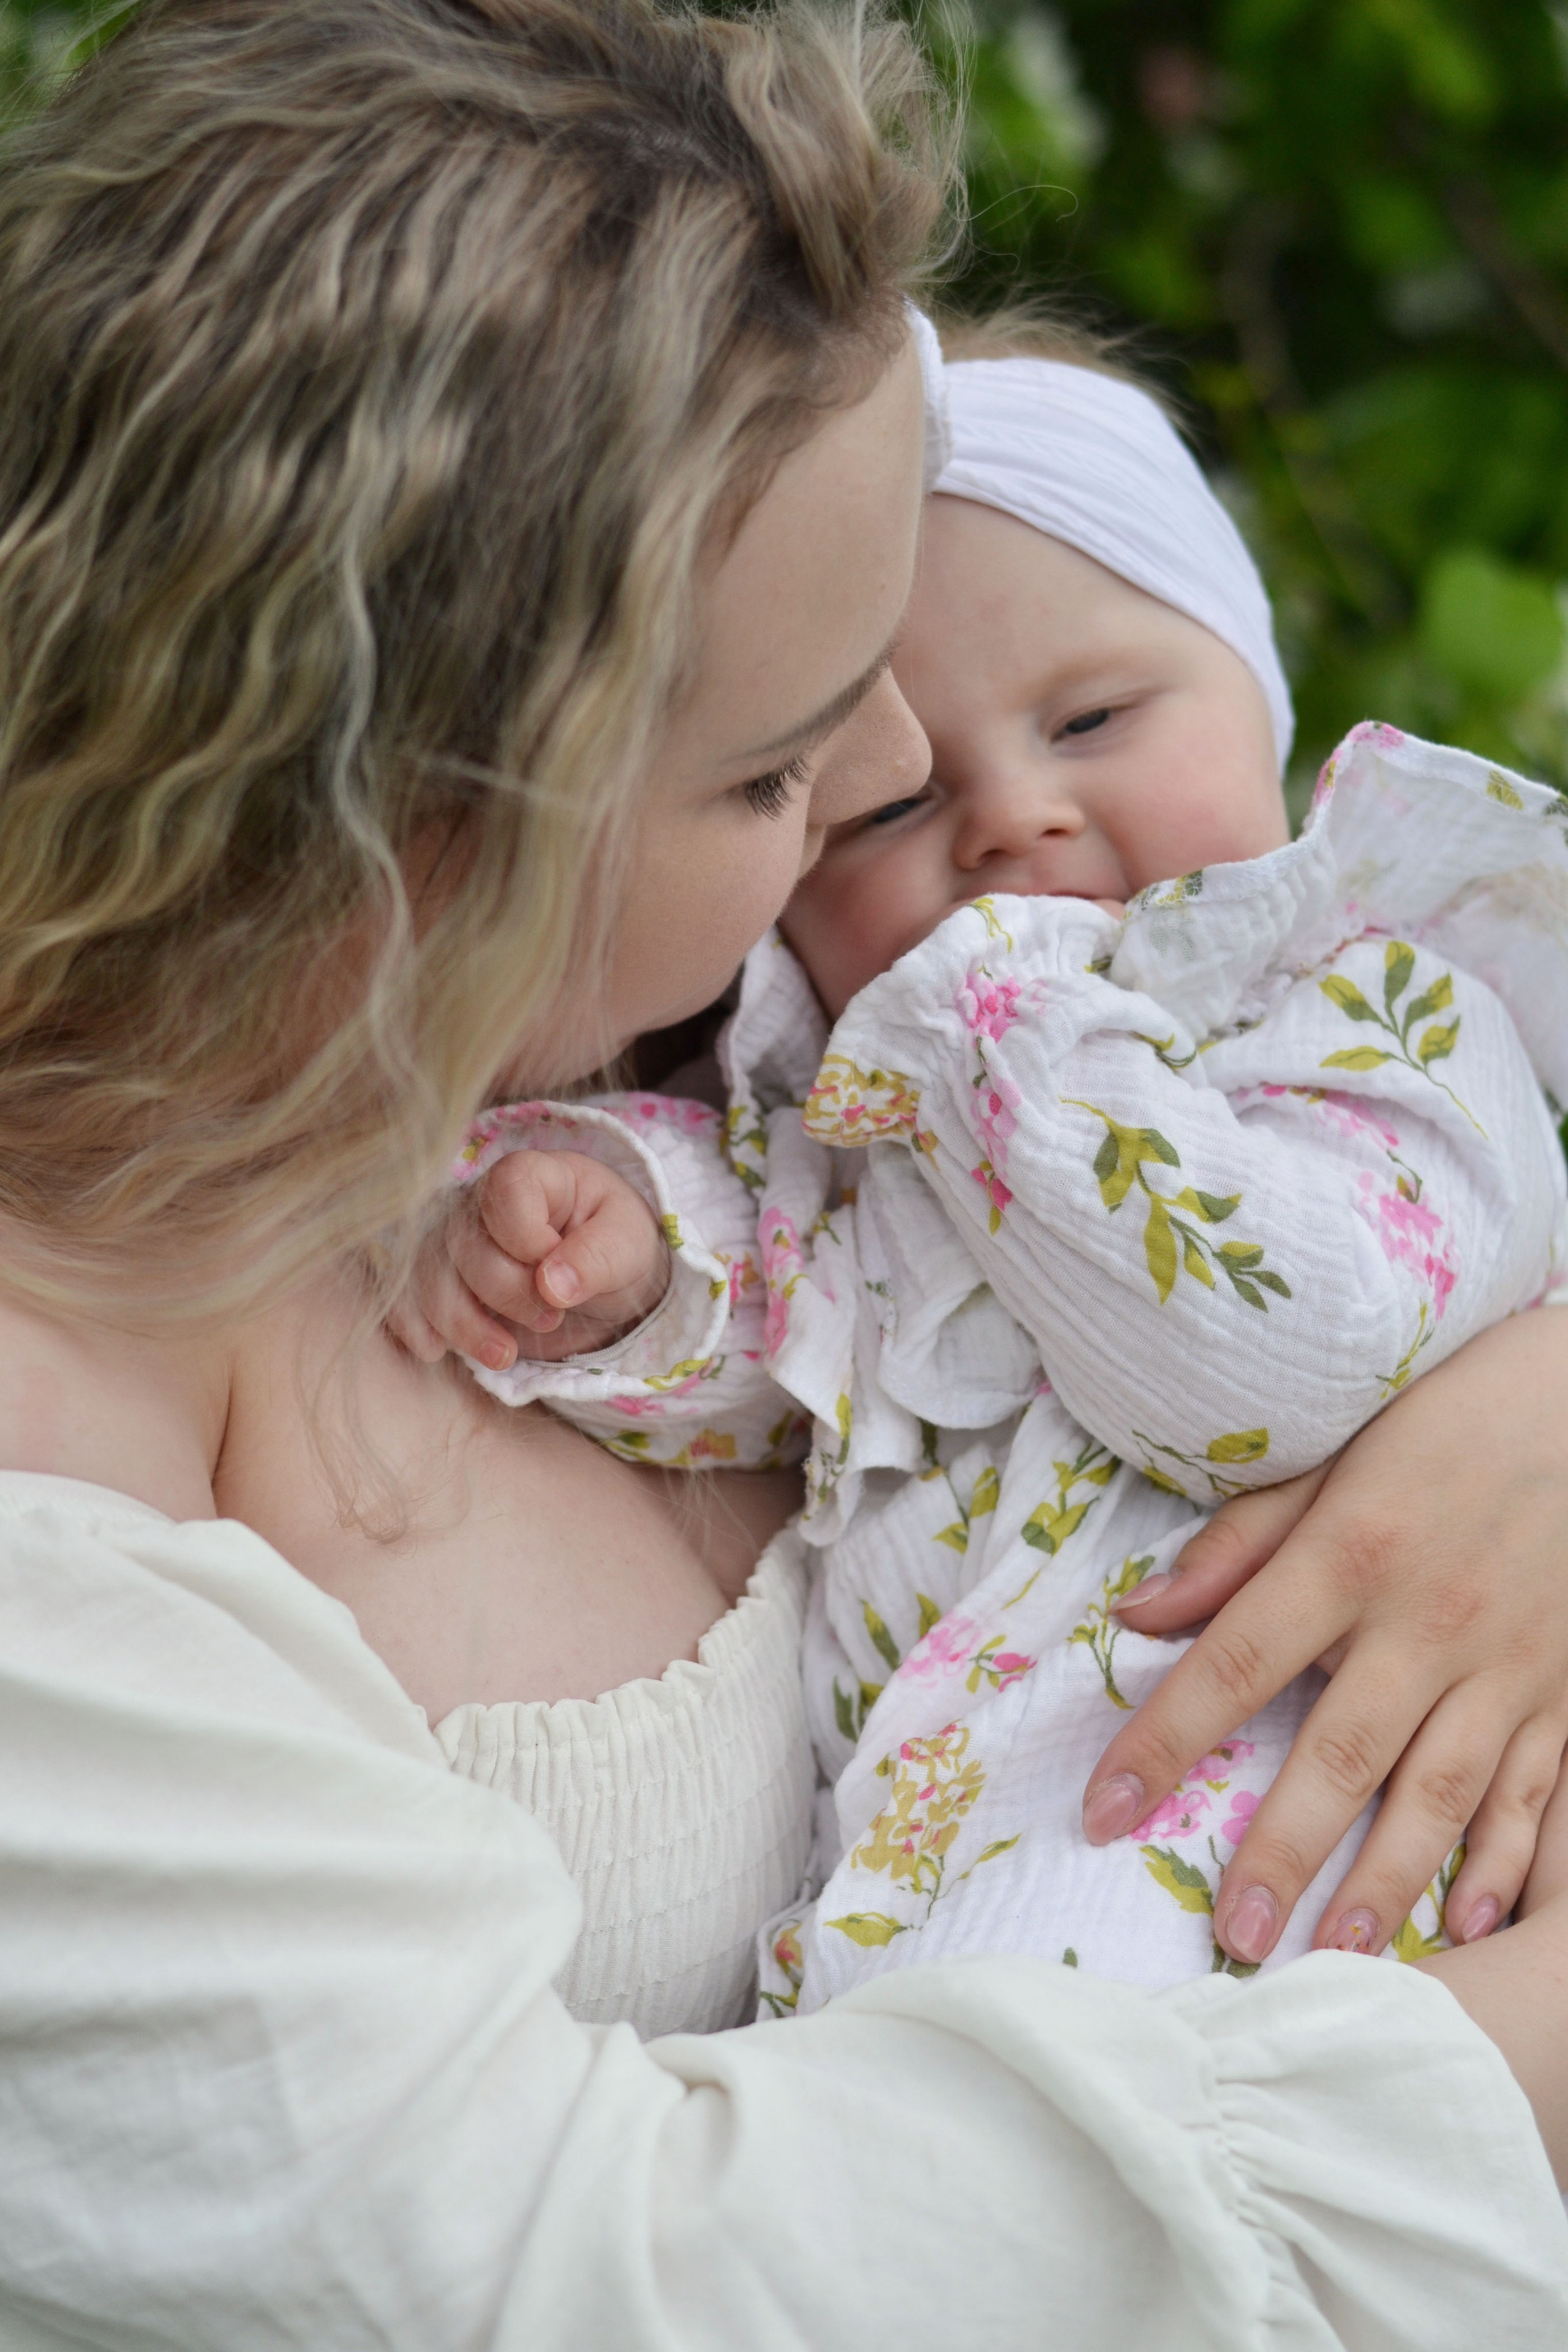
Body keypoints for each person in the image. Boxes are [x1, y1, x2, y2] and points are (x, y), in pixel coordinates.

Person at [3, 2, 1568, 2345]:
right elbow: (590, 2276)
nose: (909, 773)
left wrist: (1524, 1397)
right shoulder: (64, 1516)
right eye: (772, 765)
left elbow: (1328, 1158)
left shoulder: (659, 1066)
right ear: (421, 831)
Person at [425, 339, 1568, 1996]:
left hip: (1250, 1887)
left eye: (1094, 718)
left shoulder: (1374, 1014)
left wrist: (979, 1000)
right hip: (914, 1921)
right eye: (884, 813)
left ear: (1265, 697)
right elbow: (789, 1339)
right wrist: (619, 1261)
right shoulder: (881, 1123)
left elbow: (1258, 1362)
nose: (1010, 821)